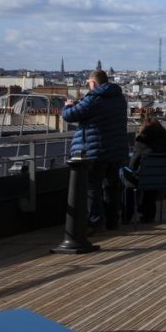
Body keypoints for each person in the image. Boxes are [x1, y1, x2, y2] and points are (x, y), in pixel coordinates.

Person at [62, 69, 129, 232]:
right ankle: (112, 222)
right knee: (112, 187)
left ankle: (95, 221)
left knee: (93, 187)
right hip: (116, 150)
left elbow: (70, 115)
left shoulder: (94, 98)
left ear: (93, 83)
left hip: (96, 150)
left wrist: (67, 106)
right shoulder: (119, 98)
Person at [124, 116, 166, 223]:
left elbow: (132, 166)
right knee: (150, 179)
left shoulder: (142, 142)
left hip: (146, 180)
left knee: (127, 180)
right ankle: (148, 214)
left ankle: (127, 216)